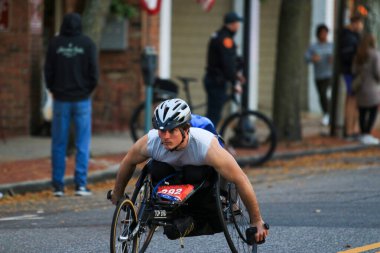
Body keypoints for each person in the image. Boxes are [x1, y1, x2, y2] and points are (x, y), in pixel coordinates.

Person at [110, 98, 269, 243]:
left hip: (200, 175)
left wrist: (256, 220)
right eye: (161, 130)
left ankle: (204, 211)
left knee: (195, 172)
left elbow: (240, 178)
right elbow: (128, 162)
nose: (165, 136)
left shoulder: (205, 146)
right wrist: (118, 194)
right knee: (157, 168)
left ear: (186, 129)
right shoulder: (151, 141)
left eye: (171, 131)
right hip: (169, 174)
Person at [44, 13, 99, 197]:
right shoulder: (87, 43)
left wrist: (54, 89)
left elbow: (48, 71)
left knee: (58, 142)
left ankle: (58, 186)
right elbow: (94, 73)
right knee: (82, 143)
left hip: (61, 100)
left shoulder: (55, 44)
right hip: (82, 99)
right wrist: (86, 90)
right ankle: (80, 185)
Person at [204, 11, 245, 127]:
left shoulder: (218, 35)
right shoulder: (226, 40)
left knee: (213, 113)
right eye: (237, 23)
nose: (238, 26)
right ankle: (205, 142)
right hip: (216, 81)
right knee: (214, 116)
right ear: (231, 24)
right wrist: (235, 82)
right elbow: (228, 63)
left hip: (212, 78)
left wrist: (235, 76)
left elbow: (223, 61)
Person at [352, 34, 380, 145]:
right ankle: (367, 133)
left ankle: (363, 133)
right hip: (372, 88)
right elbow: (378, 72)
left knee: (362, 112)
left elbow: (353, 70)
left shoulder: (358, 55)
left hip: (361, 87)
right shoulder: (375, 54)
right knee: (373, 111)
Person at [340, 15, 364, 140]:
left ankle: (353, 128)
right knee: (352, 99)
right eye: (360, 23)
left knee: (353, 100)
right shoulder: (349, 37)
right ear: (355, 23)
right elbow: (348, 56)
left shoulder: (353, 36)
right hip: (350, 72)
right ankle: (349, 129)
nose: (361, 26)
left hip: (352, 72)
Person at [305, 24, 334, 126]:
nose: (324, 35)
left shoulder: (332, 46)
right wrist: (313, 59)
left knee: (328, 94)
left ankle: (330, 114)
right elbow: (306, 58)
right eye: (322, 33)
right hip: (319, 75)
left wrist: (333, 60)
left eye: (325, 33)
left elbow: (337, 58)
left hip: (330, 74)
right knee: (322, 95)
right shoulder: (313, 47)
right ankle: (327, 113)